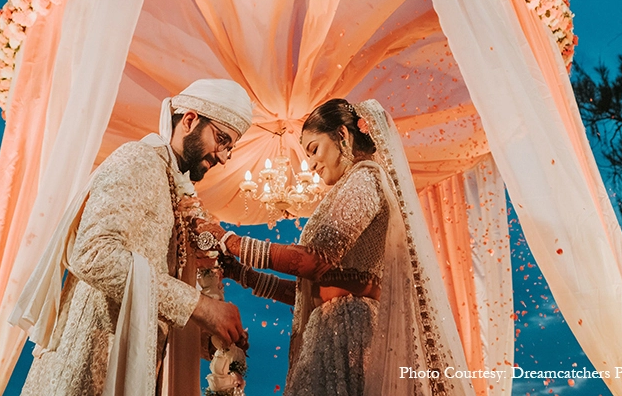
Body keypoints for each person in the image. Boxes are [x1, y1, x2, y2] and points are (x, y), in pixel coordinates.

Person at [191, 99, 474, 396]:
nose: (311, 164)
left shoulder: (366, 177)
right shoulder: (350, 186)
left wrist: (229, 240)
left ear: (342, 134)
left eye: (313, 149)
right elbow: (307, 291)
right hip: (332, 327)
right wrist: (241, 273)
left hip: (351, 334)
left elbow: (314, 261)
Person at [10, 79, 253, 396]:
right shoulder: (139, 159)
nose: (222, 157)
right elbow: (94, 254)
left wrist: (209, 333)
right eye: (221, 139)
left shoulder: (171, 187)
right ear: (190, 120)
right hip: (85, 367)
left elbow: (153, 295)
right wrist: (201, 307)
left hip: (128, 371)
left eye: (229, 148)